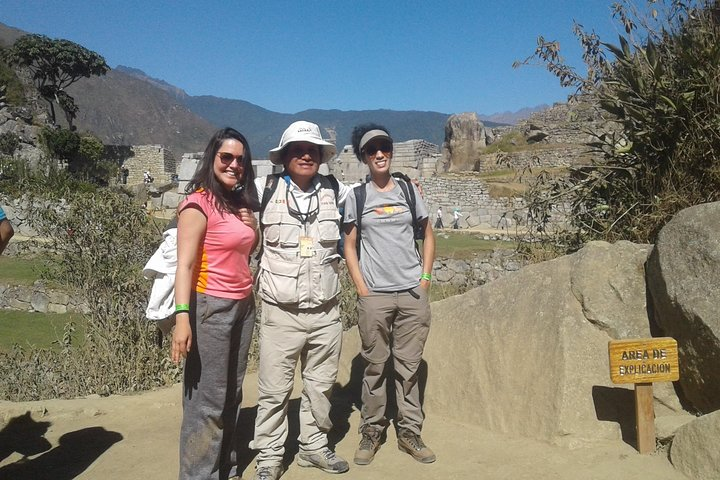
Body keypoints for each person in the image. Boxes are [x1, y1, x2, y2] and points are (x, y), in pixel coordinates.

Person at [250, 121, 351, 480]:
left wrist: (403, 185)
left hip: (326, 311)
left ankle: (313, 446)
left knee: (320, 387)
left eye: (312, 150)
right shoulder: (264, 189)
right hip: (280, 312)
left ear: (321, 157)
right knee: (274, 391)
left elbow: (371, 205)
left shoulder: (337, 191)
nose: (306, 155)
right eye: (298, 149)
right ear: (285, 156)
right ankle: (270, 456)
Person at [342, 124, 436, 466]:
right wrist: (361, 288)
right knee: (374, 367)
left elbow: (427, 234)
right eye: (372, 150)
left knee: (408, 368)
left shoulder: (410, 190)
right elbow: (349, 245)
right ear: (364, 157)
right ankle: (372, 430)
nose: (379, 154)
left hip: (411, 292)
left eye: (384, 148)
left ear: (391, 152)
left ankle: (409, 431)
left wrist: (424, 279)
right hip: (375, 295)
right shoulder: (357, 196)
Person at [171, 127, 260, 480]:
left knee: (231, 396)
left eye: (240, 159)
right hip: (210, 307)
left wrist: (252, 227)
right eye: (227, 157)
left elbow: (240, 253)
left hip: (243, 306)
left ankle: (227, 468)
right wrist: (182, 318)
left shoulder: (238, 204)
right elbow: (186, 265)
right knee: (205, 403)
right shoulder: (198, 203)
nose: (234, 164)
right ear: (212, 158)